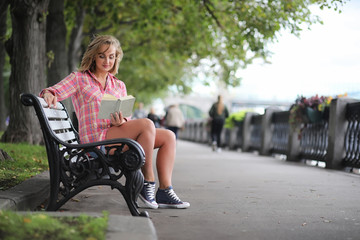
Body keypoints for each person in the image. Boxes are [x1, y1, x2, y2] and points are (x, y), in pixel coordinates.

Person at [40, 35, 189, 209]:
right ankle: (147, 183)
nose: (107, 61)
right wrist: (49, 94)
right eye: (102, 55)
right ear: (93, 56)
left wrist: (122, 120)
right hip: (95, 142)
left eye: (111, 56)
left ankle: (165, 190)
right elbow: (54, 90)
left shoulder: (119, 85)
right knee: (147, 124)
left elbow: (128, 118)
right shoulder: (79, 78)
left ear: (116, 58)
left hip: (116, 135)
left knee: (168, 136)